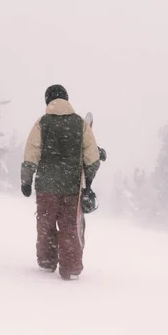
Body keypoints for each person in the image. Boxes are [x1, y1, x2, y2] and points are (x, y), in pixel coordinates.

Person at [21, 84, 101, 280]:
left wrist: (26, 179)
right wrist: (88, 179)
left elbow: (32, 152)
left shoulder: (43, 123)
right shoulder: (79, 123)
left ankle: (47, 262)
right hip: (71, 188)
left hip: (46, 188)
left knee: (45, 225)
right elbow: (92, 158)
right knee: (69, 228)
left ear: (48, 100)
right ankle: (71, 267)